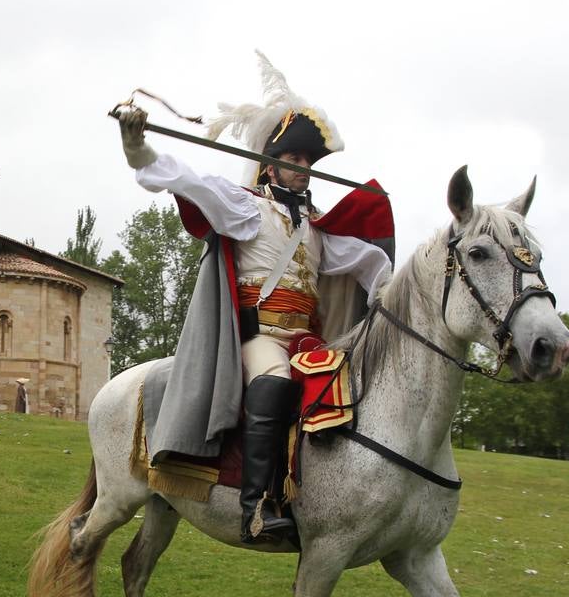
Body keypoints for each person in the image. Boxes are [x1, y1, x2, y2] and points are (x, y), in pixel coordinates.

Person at [117, 52, 393, 544]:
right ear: (271, 165)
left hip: (306, 338)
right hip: (259, 337)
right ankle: (258, 505)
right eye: (294, 160)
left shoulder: (317, 229)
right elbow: (185, 178)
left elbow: (368, 263)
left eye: (309, 162)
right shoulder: (245, 208)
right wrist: (137, 145)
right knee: (275, 379)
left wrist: (389, 288)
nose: (304, 169)